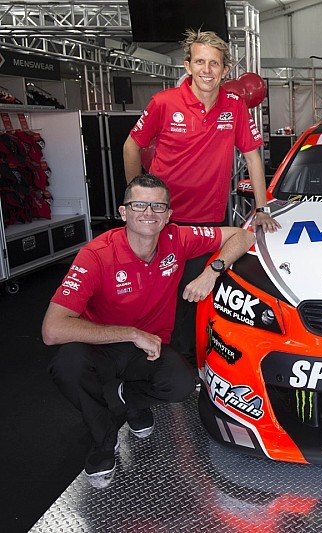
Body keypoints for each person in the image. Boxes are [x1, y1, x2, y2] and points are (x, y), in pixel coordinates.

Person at [42, 174, 256, 487]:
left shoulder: (178, 237)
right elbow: (52, 329)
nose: (149, 213)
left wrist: (212, 271)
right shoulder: (95, 255)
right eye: (139, 204)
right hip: (100, 344)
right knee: (67, 365)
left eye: (158, 206)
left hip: (150, 346)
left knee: (182, 384)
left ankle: (131, 399)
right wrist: (130, 333)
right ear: (123, 211)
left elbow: (243, 236)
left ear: (169, 215)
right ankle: (103, 439)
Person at [122, 29, 279, 358]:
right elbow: (131, 146)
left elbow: (252, 156)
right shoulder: (164, 103)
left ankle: (190, 364)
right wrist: (137, 203)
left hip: (210, 220)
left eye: (215, 63)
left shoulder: (234, 106)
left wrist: (262, 208)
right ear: (188, 65)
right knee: (156, 292)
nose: (207, 70)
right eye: (200, 62)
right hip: (165, 220)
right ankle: (151, 360)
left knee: (200, 293)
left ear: (225, 70)